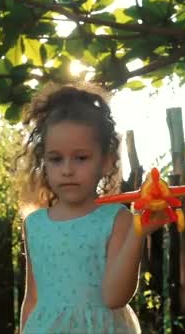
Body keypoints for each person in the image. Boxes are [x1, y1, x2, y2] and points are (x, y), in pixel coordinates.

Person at [16, 83, 165, 333]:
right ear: (44, 162)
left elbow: (115, 297)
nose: (67, 169)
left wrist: (139, 231)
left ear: (106, 162)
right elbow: (32, 298)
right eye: (55, 159)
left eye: (81, 158)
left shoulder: (117, 218)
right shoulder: (34, 224)